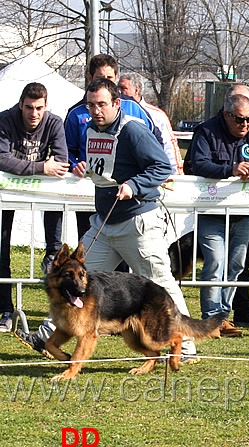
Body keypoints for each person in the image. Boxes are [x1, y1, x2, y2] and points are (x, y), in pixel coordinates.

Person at [16, 79, 219, 359]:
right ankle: (45, 338)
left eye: (102, 104)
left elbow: (162, 166)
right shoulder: (89, 129)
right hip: (104, 222)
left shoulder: (133, 130)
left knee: (161, 284)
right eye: (91, 105)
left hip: (138, 223)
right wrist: (81, 166)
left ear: (116, 104)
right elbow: (104, 169)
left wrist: (134, 185)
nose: (96, 110)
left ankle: (184, 347)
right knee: (73, 282)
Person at [190, 92, 249, 322]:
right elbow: (197, 164)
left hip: (243, 214)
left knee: (237, 264)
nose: (245, 124)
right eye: (240, 119)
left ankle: (224, 316)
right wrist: (230, 170)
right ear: (226, 115)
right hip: (212, 212)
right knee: (215, 263)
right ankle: (211, 317)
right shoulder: (206, 131)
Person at [65, 54, 161, 239]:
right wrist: (74, 163)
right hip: (89, 191)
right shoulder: (76, 113)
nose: (105, 82)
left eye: (109, 78)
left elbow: (157, 143)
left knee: (126, 262)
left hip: (128, 196)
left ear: (116, 78)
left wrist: (140, 179)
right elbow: (65, 149)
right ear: (90, 77)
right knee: (88, 252)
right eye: (100, 78)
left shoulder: (134, 108)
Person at [0, 83, 69, 333]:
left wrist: (26, 168)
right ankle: (5, 310)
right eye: (29, 107)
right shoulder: (5, 120)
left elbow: (61, 162)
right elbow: (1, 158)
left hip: (46, 193)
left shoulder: (53, 123)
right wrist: (41, 168)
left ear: (45, 106)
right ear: (21, 105)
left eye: (39, 108)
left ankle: (56, 313)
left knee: (55, 251)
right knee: (2, 251)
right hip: (5, 192)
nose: (34, 113)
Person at [117, 72, 183, 174]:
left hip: (149, 172)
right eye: (118, 88)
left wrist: (176, 175)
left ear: (136, 90)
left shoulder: (156, 115)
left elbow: (169, 146)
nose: (119, 91)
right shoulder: (115, 111)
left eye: (123, 88)